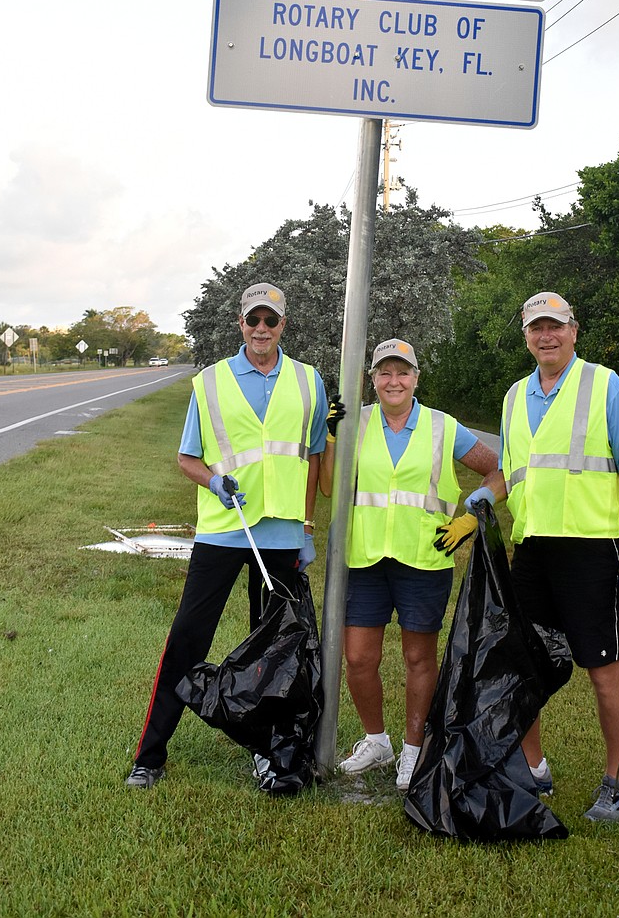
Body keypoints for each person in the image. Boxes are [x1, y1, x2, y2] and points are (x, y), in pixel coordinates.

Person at [126, 281, 329, 789]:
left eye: (271, 320)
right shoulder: (210, 382)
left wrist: (306, 529)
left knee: (275, 650)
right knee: (187, 639)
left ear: (283, 325)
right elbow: (187, 457)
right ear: (241, 323)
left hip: (281, 537)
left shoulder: (309, 381)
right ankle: (150, 755)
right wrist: (214, 481)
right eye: (253, 320)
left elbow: (313, 460)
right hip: (224, 531)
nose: (262, 329)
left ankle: (268, 752)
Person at [466, 290, 619, 823]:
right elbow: (511, 471)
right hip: (533, 550)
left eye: (555, 326)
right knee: (524, 667)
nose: (545, 336)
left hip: (593, 550)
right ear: (526, 337)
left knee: (602, 669)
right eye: (535, 328)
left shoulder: (603, 384)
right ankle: (532, 768)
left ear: (574, 330)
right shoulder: (513, 397)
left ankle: (617, 781)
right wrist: (486, 493)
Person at [320, 337, 503, 792]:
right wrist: (327, 436)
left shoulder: (443, 427)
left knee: (418, 656)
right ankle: (376, 740)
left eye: (403, 372)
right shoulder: (354, 423)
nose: (394, 380)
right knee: (359, 657)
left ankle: (413, 749)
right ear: (373, 380)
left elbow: (499, 470)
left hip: (424, 557)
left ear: (416, 378)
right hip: (363, 558)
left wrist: (470, 516)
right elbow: (327, 487)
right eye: (385, 372)